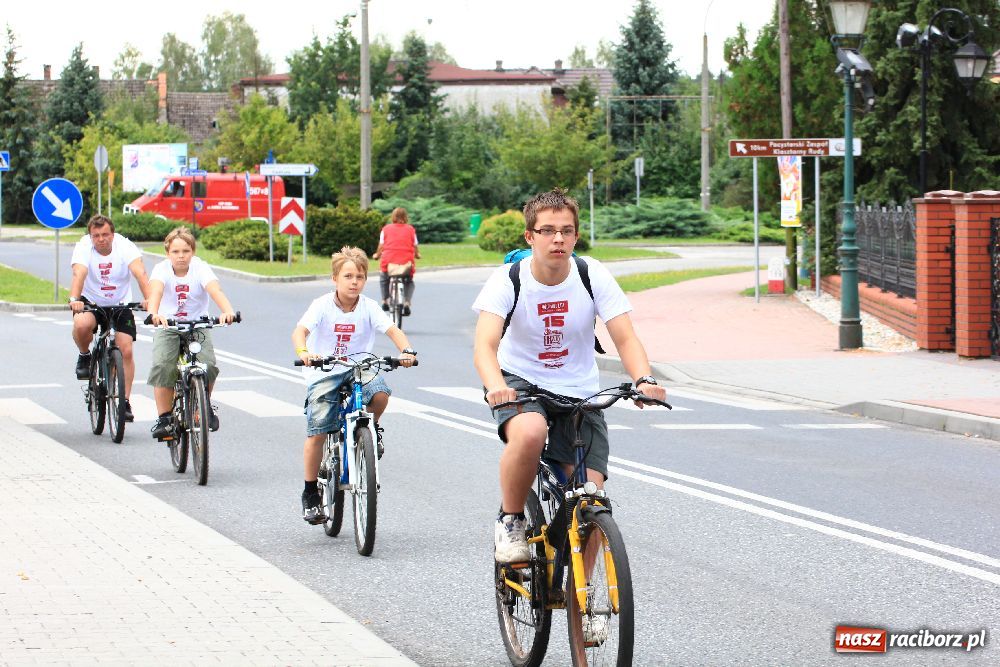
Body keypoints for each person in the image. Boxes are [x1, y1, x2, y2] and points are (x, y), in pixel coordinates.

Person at [472, 189, 667, 563]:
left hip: (579, 390)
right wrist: (496, 386)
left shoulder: (592, 274)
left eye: (566, 230)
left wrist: (643, 379)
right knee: (530, 432)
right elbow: (485, 345)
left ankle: (588, 610)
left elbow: (624, 336)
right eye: (547, 230)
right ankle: (511, 519)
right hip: (519, 382)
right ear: (530, 237)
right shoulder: (507, 279)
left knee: (591, 498)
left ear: (576, 236)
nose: (557, 239)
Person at [293, 246, 417, 524]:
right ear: (335, 278)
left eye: (360, 277)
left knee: (381, 393)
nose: (354, 282)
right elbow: (300, 331)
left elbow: (392, 330)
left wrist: (407, 350)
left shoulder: (369, 307)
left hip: (360, 369)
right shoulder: (321, 305)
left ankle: (372, 430)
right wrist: (305, 353)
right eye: (348, 276)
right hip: (324, 371)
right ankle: (311, 492)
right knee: (318, 430)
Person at [146, 227, 237, 439]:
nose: (181, 256)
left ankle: (202, 407)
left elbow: (215, 290)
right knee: (163, 365)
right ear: (168, 253)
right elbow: (156, 292)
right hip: (168, 325)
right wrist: (154, 314)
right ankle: (165, 418)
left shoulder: (201, 268)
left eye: (186, 251)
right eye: (176, 252)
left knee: (208, 364)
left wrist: (228, 312)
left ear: (193, 252)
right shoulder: (161, 270)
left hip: (197, 325)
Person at [69, 214, 151, 423]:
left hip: (120, 302)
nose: (101, 239)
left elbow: (140, 273)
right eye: (96, 235)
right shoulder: (83, 247)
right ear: (90, 236)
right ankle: (85, 354)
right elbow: (79, 273)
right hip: (92, 301)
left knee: (126, 349)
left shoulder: (125, 246)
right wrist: (74, 299)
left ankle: (124, 401)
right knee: (81, 324)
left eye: (105, 234)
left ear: (113, 234)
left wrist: (150, 300)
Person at [371, 207, 420, 316]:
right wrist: (417, 255)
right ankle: (407, 302)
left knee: (384, 277)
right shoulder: (411, 229)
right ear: (406, 217)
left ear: (393, 217)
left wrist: (377, 255)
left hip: (389, 261)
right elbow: (415, 245)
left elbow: (381, 246)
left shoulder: (386, 229)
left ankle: (384, 301)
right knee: (409, 280)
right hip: (406, 261)